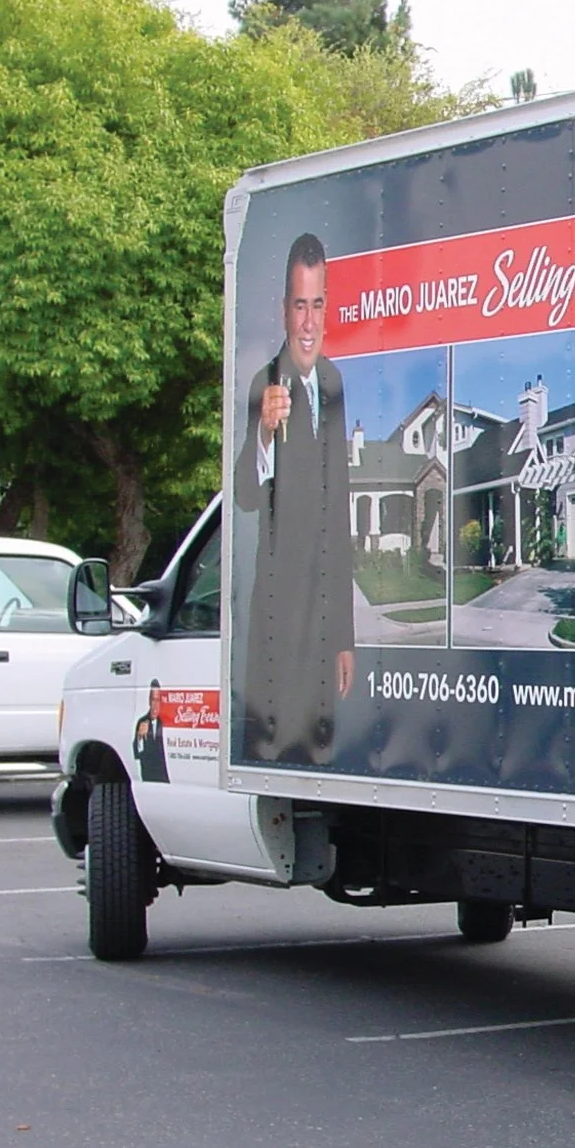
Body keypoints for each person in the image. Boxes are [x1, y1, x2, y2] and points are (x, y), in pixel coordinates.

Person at [234, 233, 354, 764]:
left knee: (321, 761)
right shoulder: (265, 385)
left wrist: (344, 637)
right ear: (284, 310)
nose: (308, 322)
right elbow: (244, 495)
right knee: (276, 755)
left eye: (317, 305)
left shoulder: (333, 382)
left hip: (324, 624)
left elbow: (339, 516)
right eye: (299, 306)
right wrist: (263, 433)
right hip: (280, 625)